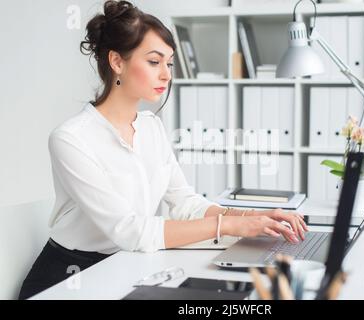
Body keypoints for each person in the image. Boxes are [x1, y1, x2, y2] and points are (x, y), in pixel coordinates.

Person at [19, 0, 307, 300]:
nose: (167, 75)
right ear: (117, 62)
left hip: (126, 264)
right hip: (68, 279)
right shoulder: (70, 139)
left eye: (169, 63)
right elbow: (131, 231)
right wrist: (236, 225)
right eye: (154, 62)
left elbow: (185, 204)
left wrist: (256, 217)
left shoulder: (150, 127)